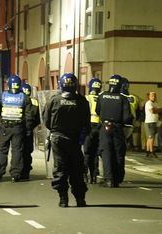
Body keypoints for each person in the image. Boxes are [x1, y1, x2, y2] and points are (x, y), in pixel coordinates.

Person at [43, 73, 90, 207]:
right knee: (77, 169)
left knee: (60, 168)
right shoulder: (81, 101)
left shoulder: (54, 100)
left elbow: (46, 121)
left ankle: (63, 199)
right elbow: (87, 123)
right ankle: (80, 199)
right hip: (75, 139)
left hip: (58, 139)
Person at [96, 74, 132, 187]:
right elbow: (127, 117)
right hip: (118, 128)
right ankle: (117, 179)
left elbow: (98, 111)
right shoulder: (123, 99)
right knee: (119, 153)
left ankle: (109, 179)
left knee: (106, 153)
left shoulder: (102, 96)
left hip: (105, 127)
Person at [0, 74, 29, 182]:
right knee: (17, 151)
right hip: (18, 127)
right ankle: (15, 174)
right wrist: (27, 129)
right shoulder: (24, 97)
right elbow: (28, 115)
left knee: (2, 150)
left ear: (8, 84)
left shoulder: (3, 96)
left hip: (5, 127)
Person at [20, 82, 41, 179]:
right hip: (29, 130)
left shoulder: (19, 100)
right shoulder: (35, 102)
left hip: (19, 129)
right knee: (27, 152)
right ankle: (26, 172)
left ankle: (19, 171)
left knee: (19, 151)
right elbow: (38, 118)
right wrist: (31, 126)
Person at [84, 78, 102, 183]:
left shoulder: (87, 98)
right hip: (99, 126)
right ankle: (94, 173)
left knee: (87, 151)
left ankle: (84, 172)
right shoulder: (101, 97)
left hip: (89, 126)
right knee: (95, 152)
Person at [143, 91, 162, 158]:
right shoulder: (149, 103)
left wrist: (157, 110)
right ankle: (152, 151)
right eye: (152, 96)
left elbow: (160, 110)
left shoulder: (155, 103)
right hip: (150, 122)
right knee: (151, 137)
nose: (153, 97)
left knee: (150, 137)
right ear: (149, 97)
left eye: (154, 96)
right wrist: (157, 110)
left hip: (154, 122)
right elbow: (153, 111)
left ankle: (148, 151)